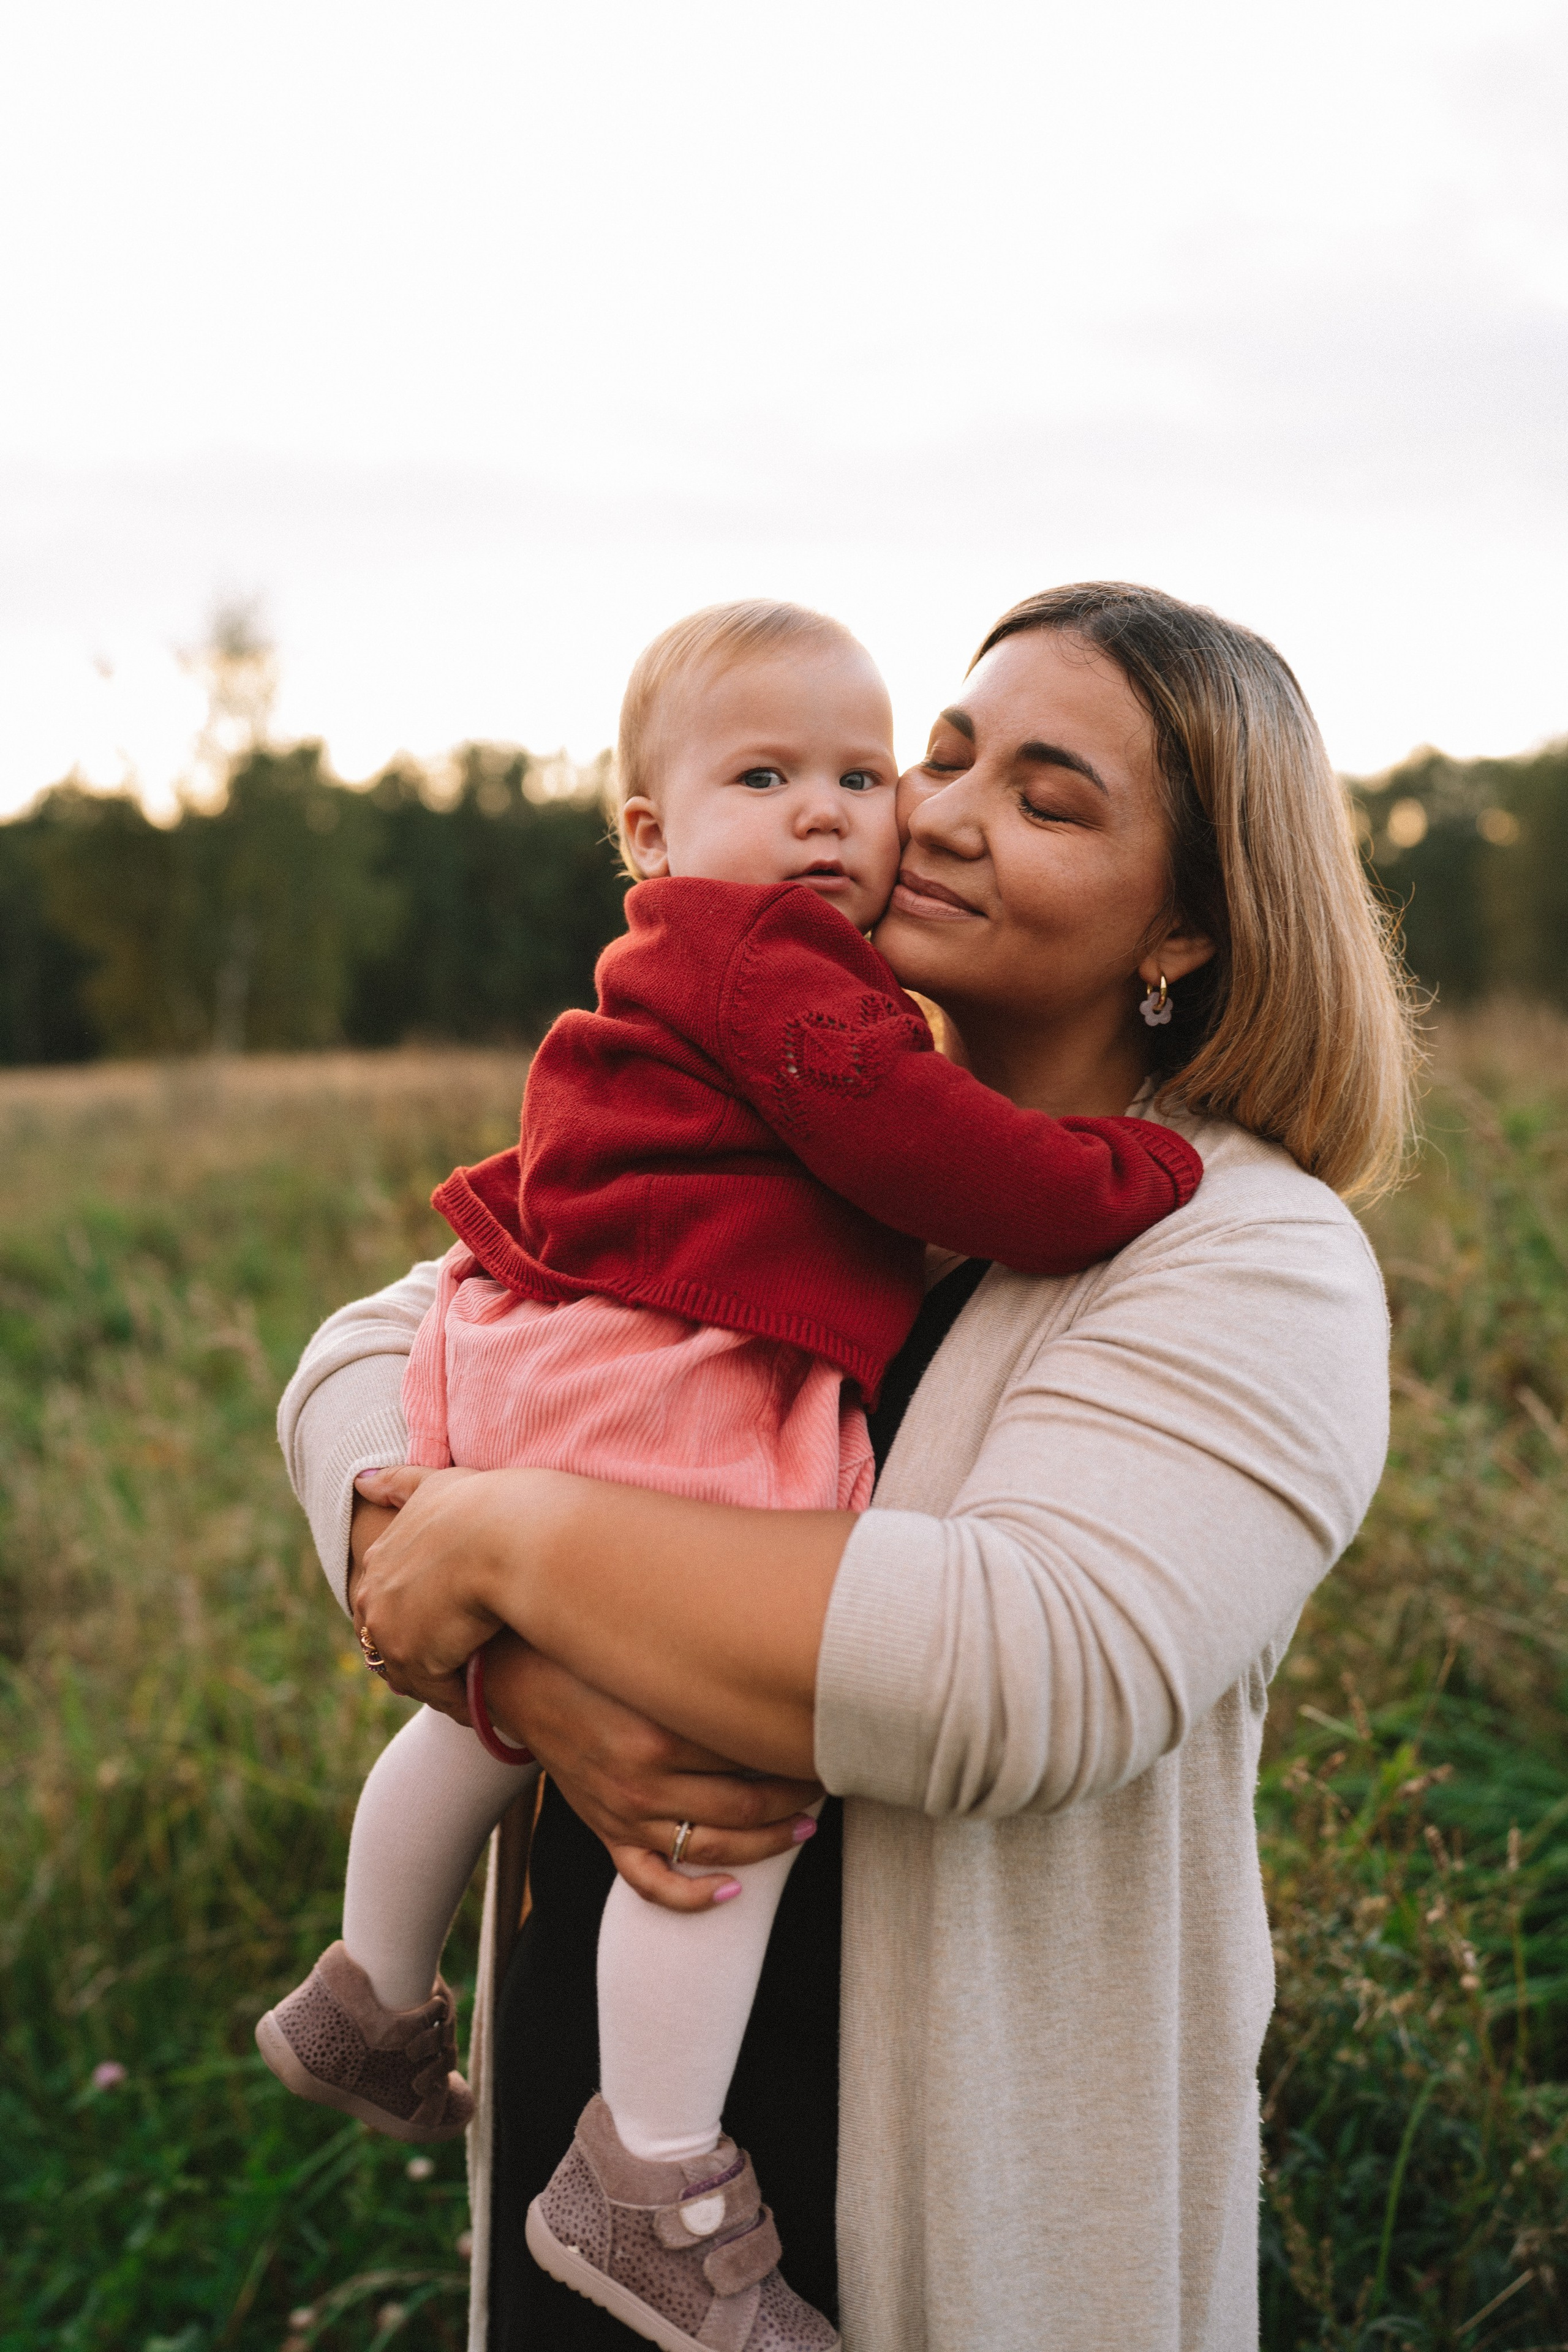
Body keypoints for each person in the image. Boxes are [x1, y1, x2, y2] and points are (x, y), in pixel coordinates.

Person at [279, 582, 1417, 2352]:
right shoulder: (791, 1134)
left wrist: (507, 1554)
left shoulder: (1250, 1250)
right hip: (599, 2160)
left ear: (1188, 925)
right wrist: (497, 1648)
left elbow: (1022, 1670)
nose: (938, 815)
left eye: (1046, 800)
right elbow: (374, 1351)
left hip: (942, 2217)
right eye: (940, 758)